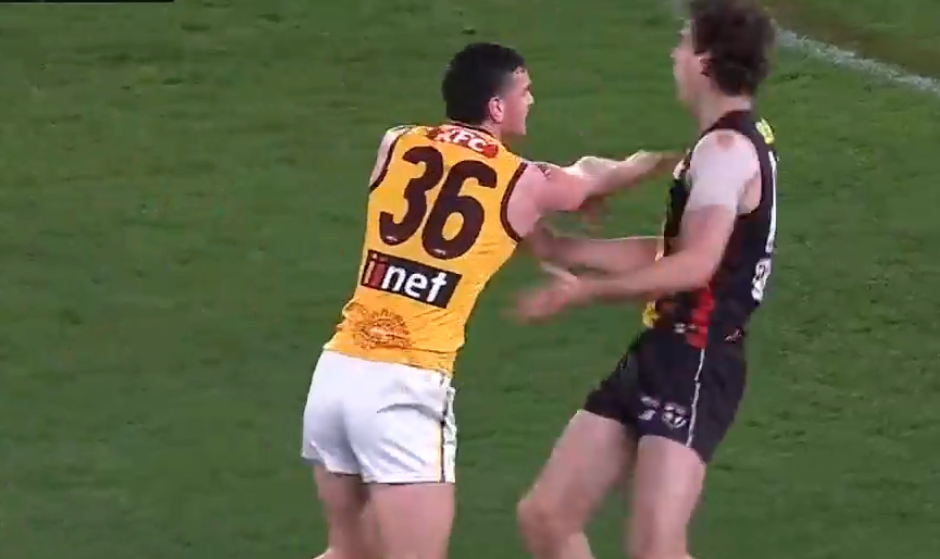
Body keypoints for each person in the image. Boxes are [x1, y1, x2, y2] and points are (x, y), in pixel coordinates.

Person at [299, 42, 676, 559]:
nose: (531, 100)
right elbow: (593, 175)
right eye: (524, 91)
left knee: (347, 552)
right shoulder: (523, 180)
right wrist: (654, 162)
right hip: (404, 387)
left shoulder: (396, 143)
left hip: (337, 375)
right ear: (496, 108)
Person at [513, 2, 779, 559]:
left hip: (698, 360)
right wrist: (568, 249)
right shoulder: (716, 147)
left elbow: (696, 265)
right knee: (547, 516)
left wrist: (583, 290)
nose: (674, 54)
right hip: (662, 350)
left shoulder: (727, 151)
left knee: (655, 547)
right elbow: (671, 252)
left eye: (683, 43)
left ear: (705, 62)